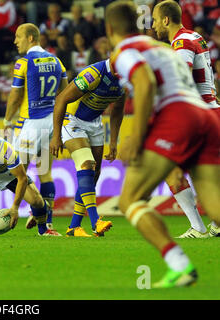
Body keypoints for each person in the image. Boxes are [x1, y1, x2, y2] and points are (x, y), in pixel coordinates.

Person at [105, 1, 220, 288]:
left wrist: (139, 134)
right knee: (215, 205)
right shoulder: (160, 45)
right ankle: (195, 234)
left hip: (178, 118)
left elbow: (144, 84)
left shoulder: (125, 51)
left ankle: (179, 265)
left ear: (109, 29)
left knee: (130, 199)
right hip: (206, 115)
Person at [152, 0, 219, 238]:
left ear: (166, 20)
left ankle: (199, 228)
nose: (153, 24)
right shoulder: (195, 37)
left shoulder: (180, 43)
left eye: (155, 19)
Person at [3, 23, 68, 231]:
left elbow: (15, 96)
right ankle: (47, 220)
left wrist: (6, 120)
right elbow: (65, 94)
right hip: (51, 122)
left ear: (31, 38)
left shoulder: (23, 63)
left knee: (18, 172)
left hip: (31, 123)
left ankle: (35, 211)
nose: (15, 41)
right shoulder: (57, 61)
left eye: (18, 37)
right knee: (45, 172)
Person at [50, 59, 125, 237]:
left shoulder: (126, 77)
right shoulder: (93, 74)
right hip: (72, 119)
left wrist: (113, 142)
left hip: (95, 123)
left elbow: (118, 110)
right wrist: (56, 135)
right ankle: (95, 221)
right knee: (87, 164)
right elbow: (61, 99)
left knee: (95, 174)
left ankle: (74, 226)